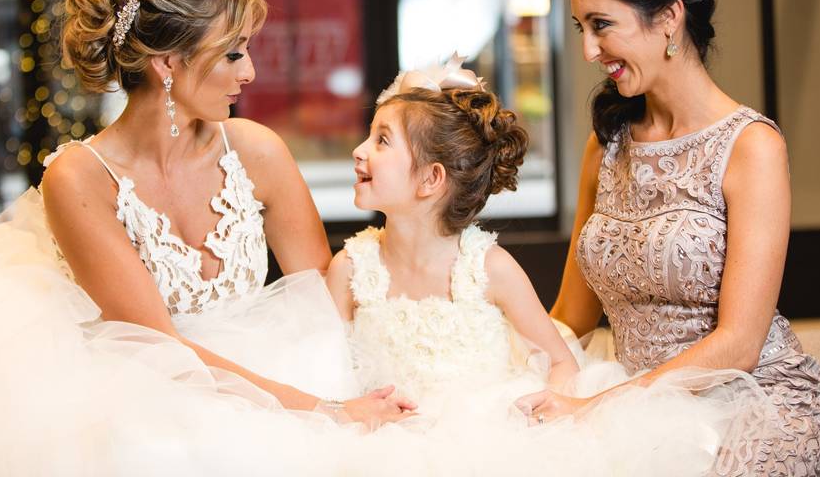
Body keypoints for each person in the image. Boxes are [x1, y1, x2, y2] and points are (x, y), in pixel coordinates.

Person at [0, 0, 415, 476]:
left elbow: (328, 305)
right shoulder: (79, 180)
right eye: (233, 55)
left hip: (283, 379)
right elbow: (159, 350)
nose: (251, 71)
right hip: (149, 404)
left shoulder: (258, 152)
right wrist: (325, 413)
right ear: (167, 63)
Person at [324, 56, 763, 476]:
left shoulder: (488, 268)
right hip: (387, 446)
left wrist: (541, 417)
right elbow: (326, 368)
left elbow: (560, 361)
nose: (359, 151)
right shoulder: (350, 269)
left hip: (490, 441)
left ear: (431, 178)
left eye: (381, 140)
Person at [517, 0, 820, 476]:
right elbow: (573, 312)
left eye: (602, 25)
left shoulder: (750, 146)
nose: (590, 50)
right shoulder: (607, 146)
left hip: (752, 400)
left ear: (669, 17)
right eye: (581, 29)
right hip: (633, 399)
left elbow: (739, 345)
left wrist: (598, 407)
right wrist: (501, 366)